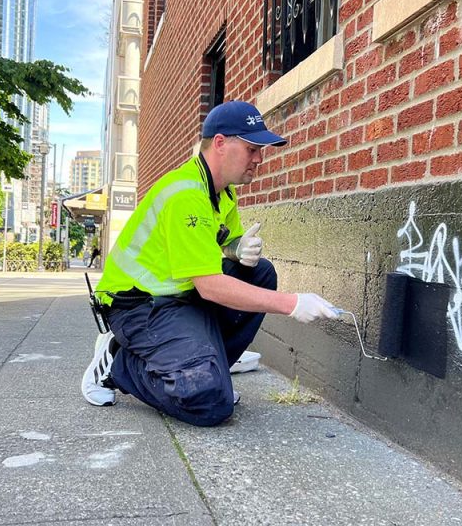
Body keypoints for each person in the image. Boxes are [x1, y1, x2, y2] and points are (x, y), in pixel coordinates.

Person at [81, 100, 337, 426]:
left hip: (179, 299)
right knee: (210, 404)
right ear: (220, 143)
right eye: (252, 148)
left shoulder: (223, 192)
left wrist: (237, 249)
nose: (260, 158)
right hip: (137, 305)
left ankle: (211, 372)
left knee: (258, 273)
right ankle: (118, 363)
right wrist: (292, 304)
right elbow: (211, 285)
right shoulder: (185, 194)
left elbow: (221, 245)